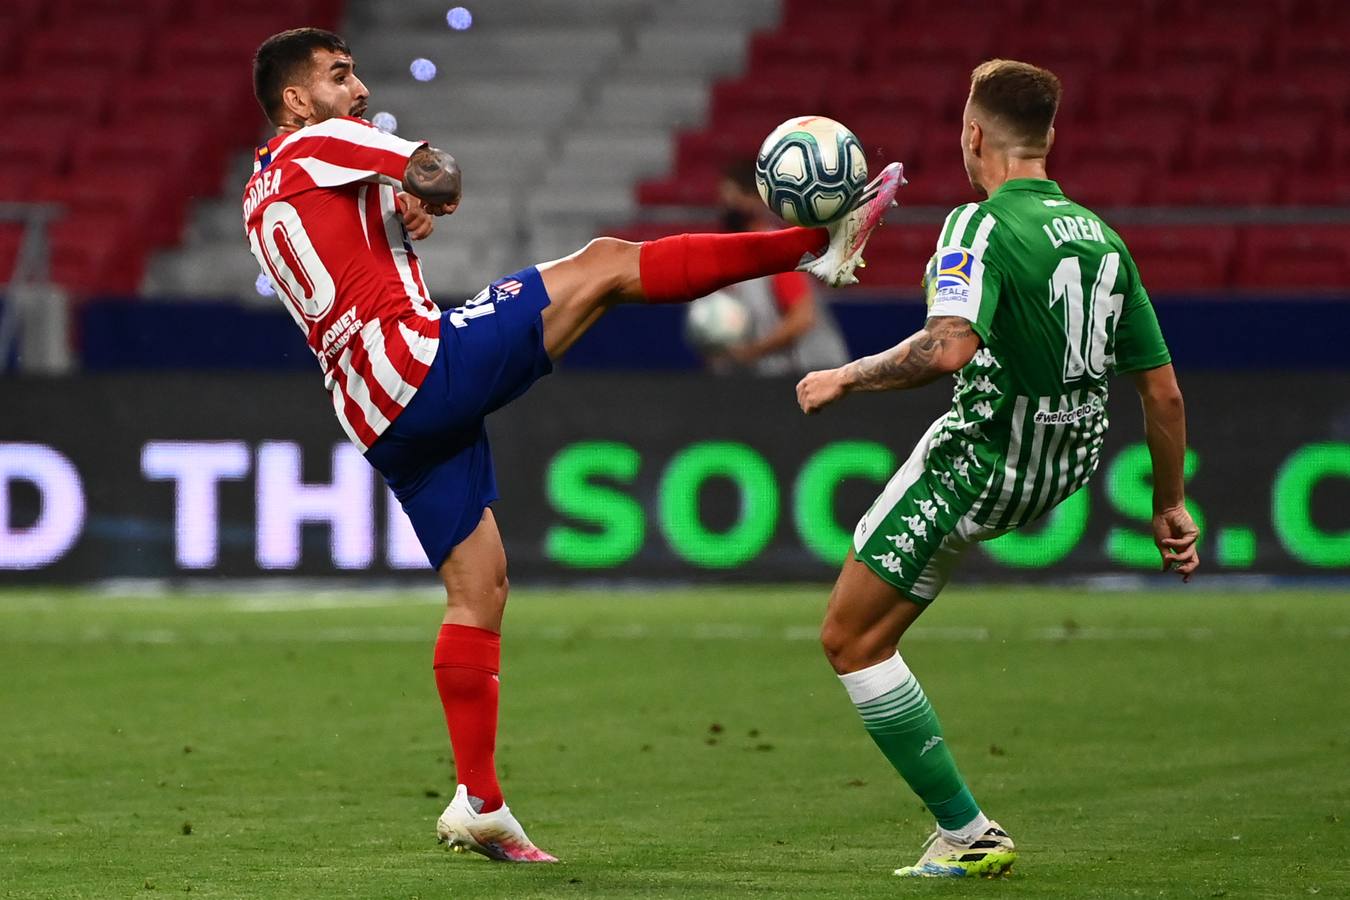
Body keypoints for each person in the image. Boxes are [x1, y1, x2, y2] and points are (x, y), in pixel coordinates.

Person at [243, 27, 903, 863]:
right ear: (296, 101)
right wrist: (429, 190)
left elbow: (350, 243)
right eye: (340, 76)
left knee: (478, 585)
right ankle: (814, 245)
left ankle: (480, 802)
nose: (360, 87)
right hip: (420, 367)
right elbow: (438, 169)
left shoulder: (264, 185)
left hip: (374, 411)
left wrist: (396, 207)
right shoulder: (324, 140)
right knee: (607, 264)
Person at [795, 59, 1199, 879]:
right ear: (1048, 140)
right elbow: (1161, 391)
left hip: (982, 459)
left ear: (975, 135)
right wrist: (1170, 505)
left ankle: (966, 833)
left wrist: (844, 375)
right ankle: (960, 831)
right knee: (867, 630)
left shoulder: (977, 225)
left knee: (849, 639)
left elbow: (948, 348)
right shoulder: (1104, 241)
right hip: (1067, 463)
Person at [706, 160, 851, 375]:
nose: (725, 205)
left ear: (755, 200)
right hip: (777, 376)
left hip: (813, 370)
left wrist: (752, 351)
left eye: (732, 197)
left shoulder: (774, 248)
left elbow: (802, 317)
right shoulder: (735, 254)